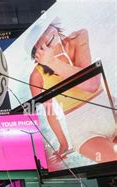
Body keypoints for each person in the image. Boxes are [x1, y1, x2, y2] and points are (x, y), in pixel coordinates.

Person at [27, 18, 117, 164]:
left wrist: (52, 62)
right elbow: (50, 112)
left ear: (53, 26)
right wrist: (63, 143)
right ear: (36, 52)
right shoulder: (36, 76)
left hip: (109, 107)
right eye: (39, 41)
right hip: (82, 128)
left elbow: (91, 85)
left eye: (45, 30)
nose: (45, 37)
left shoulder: (79, 37)